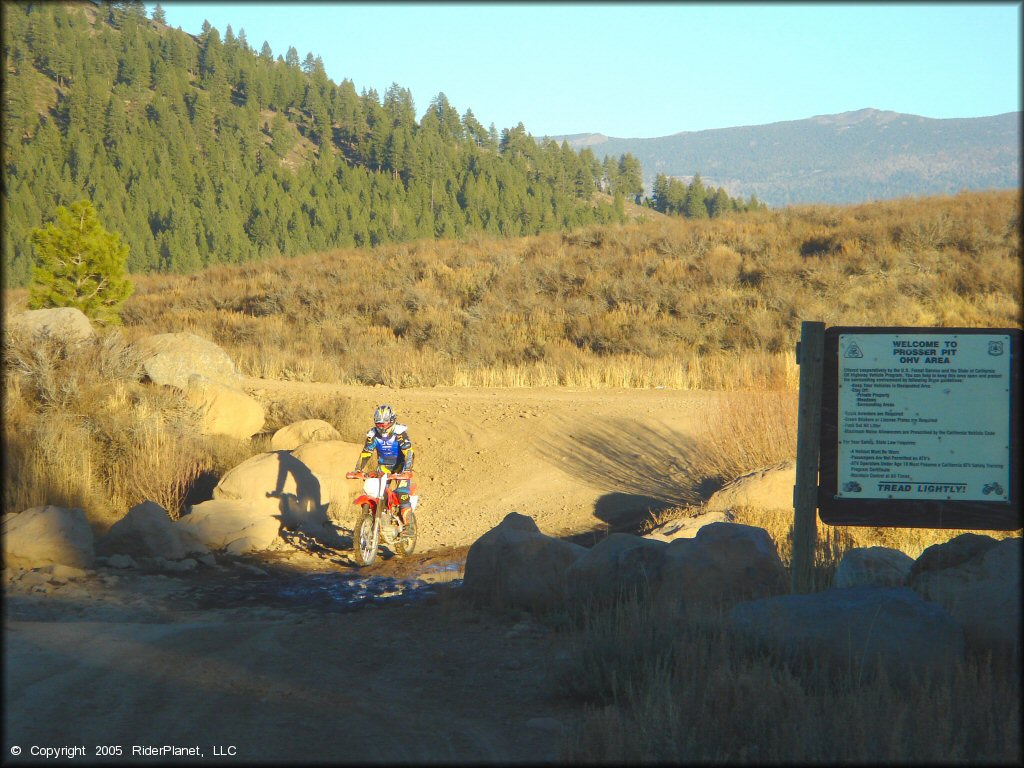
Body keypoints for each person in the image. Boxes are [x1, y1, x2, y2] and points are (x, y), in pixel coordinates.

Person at [353, 404, 415, 526]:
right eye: (379, 424)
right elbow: (366, 452)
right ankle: (378, 521)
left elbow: (409, 452)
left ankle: (409, 528)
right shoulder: (373, 435)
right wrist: (357, 470)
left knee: (402, 494)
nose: (383, 427)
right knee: (374, 492)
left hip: (400, 466)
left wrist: (407, 470)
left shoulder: (399, 433)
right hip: (383, 467)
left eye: (385, 423)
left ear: (392, 421)